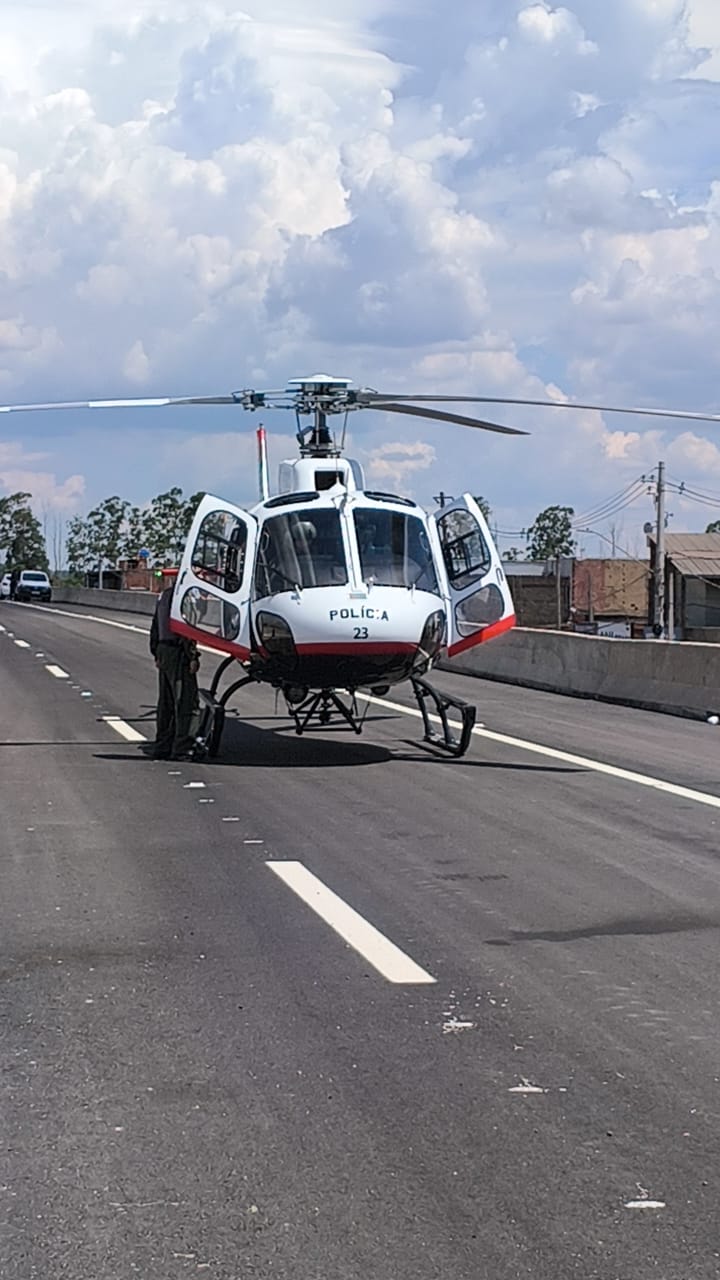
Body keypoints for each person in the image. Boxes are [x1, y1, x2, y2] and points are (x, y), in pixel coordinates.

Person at [148, 572, 201, 760]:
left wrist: (156, 652)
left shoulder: (164, 596)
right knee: (186, 701)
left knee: (166, 702)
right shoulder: (183, 598)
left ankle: (162, 745)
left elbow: (155, 626)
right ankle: (183, 749)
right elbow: (186, 629)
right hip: (178, 651)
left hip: (163, 649)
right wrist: (192, 656)